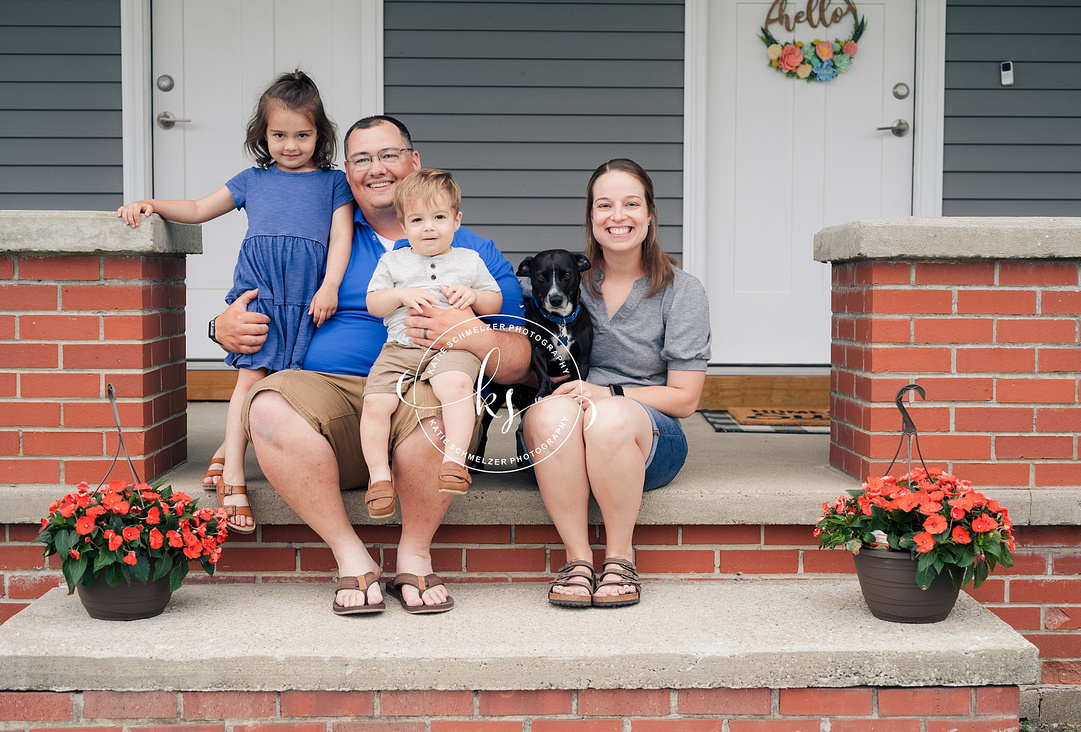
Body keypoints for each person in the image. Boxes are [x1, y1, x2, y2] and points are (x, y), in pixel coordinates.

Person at [210, 116, 529, 614]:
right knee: (268, 407)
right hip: (330, 393)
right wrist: (221, 326)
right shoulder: (325, 238)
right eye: (361, 159)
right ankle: (349, 554)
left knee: (445, 407)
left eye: (388, 155)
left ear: (413, 162)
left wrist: (465, 330)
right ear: (346, 172)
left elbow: (519, 360)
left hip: (422, 386)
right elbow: (265, 298)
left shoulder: (472, 252)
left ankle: (414, 553)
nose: (375, 169)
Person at [118, 70, 353, 534]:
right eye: (279, 134)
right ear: (263, 134)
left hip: (308, 298)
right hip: (262, 293)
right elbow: (201, 209)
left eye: (303, 134)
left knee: (293, 380)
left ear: (320, 134)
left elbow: (342, 238)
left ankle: (229, 447)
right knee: (252, 376)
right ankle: (234, 474)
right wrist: (152, 203)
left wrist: (329, 287)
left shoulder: (334, 183)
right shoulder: (252, 180)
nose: (290, 145)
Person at [519, 158, 711, 608]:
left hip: (646, 433)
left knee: (608, 418)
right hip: (564, 433)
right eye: (604, 205)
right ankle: (578, 560)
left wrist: (607, 393)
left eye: (631, 204)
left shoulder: (682, 291)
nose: (617, 216)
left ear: (649, 215)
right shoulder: (560, 281)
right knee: (549, 413)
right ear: (591, 217)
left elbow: (684, 399)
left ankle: (620, 558)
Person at [362, 168, 502, 518]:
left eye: (439, 217)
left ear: (456, 221)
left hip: (453, 348)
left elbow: (494, 301)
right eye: (418, 219)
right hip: (400, 349)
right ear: (403, 225)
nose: (428, 227)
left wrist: (472, 294)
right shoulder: (392, 261)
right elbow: (373, 303)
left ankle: (454, 462)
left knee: (454, 385)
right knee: (376, 402)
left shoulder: (469, 259)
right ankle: (379, 477)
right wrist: (398, 293)